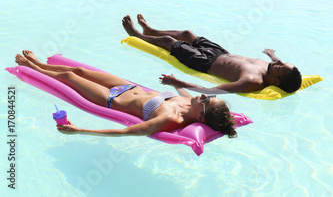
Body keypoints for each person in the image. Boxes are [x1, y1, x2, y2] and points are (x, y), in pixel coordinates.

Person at [14, 50, 237, 138]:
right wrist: (174, 82)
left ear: (200, 117)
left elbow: (128, 132)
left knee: (71, 78)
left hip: (112, 99)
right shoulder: (190, 103)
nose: (202, 96)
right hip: (128, 87)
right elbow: (183, 92)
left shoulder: (171, 119)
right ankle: (39, 63)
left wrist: (81, 130)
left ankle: (35, 68)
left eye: (206, 100)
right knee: (80, 70)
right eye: (207, 95)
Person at [122, 15, 302, 95]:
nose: (278, 63)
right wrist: (271, 54)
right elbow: (278, 62)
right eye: (281, 63)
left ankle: (137, 35)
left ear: (276, 82)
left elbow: (210, 91)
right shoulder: (273, 67)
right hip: (220, 52)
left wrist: (178, 83)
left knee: (169, 41)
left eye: (280, 67)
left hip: (204, 62)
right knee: (186, 33)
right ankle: (150, 30)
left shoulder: (252, 82)